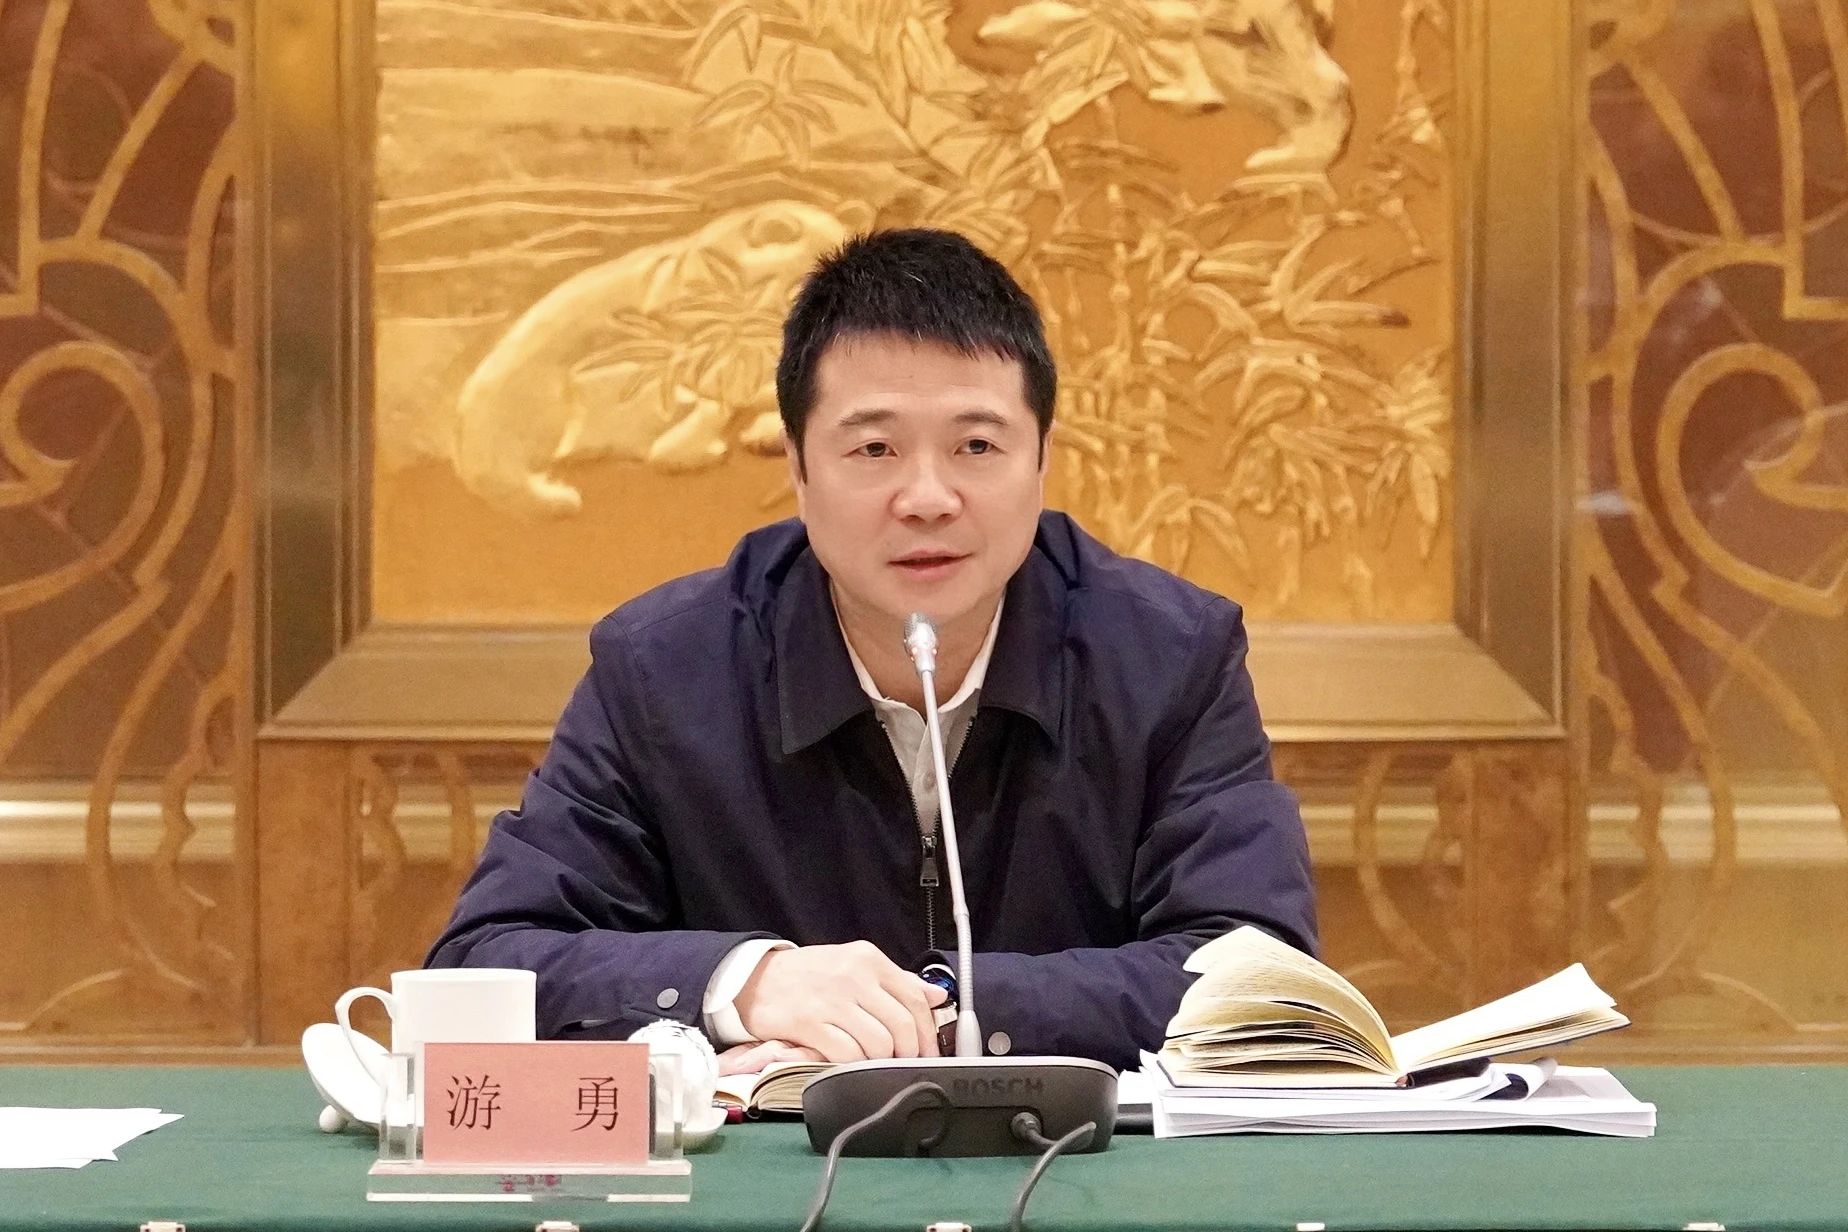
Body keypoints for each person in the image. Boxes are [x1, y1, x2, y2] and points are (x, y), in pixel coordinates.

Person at [426, 228, 1317, 1072]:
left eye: (976, 445)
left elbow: (1260, 977)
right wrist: (745, 985)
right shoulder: (666, 670)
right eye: (875, 448)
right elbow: (485, 964)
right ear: (798, 467)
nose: (927, 497)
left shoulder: (1169, 656)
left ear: (1043, 459)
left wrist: (944, 1008)